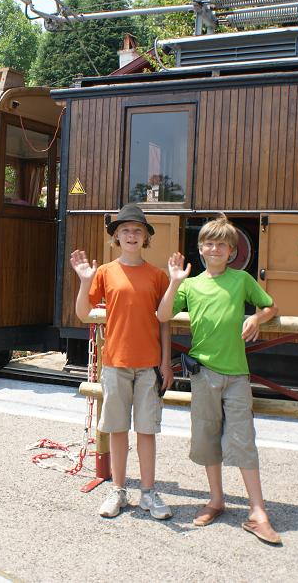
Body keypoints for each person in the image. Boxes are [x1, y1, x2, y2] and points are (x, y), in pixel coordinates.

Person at [156, 213, 281, 545]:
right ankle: (216, 500)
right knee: (207, 436)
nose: (214, 249)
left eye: (221, 245)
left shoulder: (241, 280)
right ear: (200, 249)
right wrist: (174, 281)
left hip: (237, 375)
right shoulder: (192, 284)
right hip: (203, 374)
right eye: (208, 244)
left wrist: (257, 317)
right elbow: (163, 314)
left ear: (232, 251)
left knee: (243, 438)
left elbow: (270, 306)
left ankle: (258, 511)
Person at [70, 203, 173, 520]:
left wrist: (167, 362)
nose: (131, 235)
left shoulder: (157, 276)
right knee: (117, 429)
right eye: (125, 230)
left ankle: (147, 492)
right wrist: (85, 280)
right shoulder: (104, 272)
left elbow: (164, 322)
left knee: (146, 430)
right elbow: (84, 313)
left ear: (145, 238)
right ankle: (117, 491)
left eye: (137, 230)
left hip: (149, 365)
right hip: (115, 363)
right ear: (116, 237)